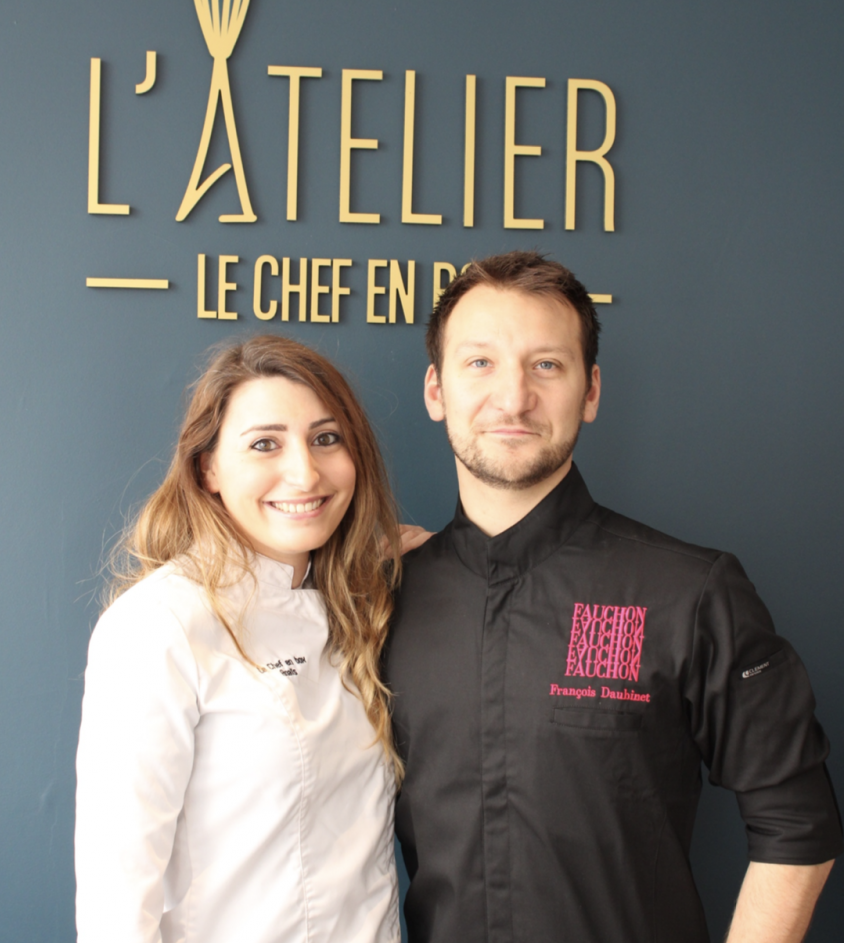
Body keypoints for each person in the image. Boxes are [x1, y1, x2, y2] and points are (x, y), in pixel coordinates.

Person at [385, 252, 841, 943]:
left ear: (590, 391)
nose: (512, 398)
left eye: (546, 365)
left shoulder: (689, 591)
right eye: (479, 363)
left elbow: (797, 826)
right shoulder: (382, 597)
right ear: (435, 390)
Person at [75, 335, 404, 943]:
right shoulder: (161, 623)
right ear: (208, 469)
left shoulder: (362, 604)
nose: (304, 472)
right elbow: (116, 902)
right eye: (264, 444)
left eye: (326, 438)